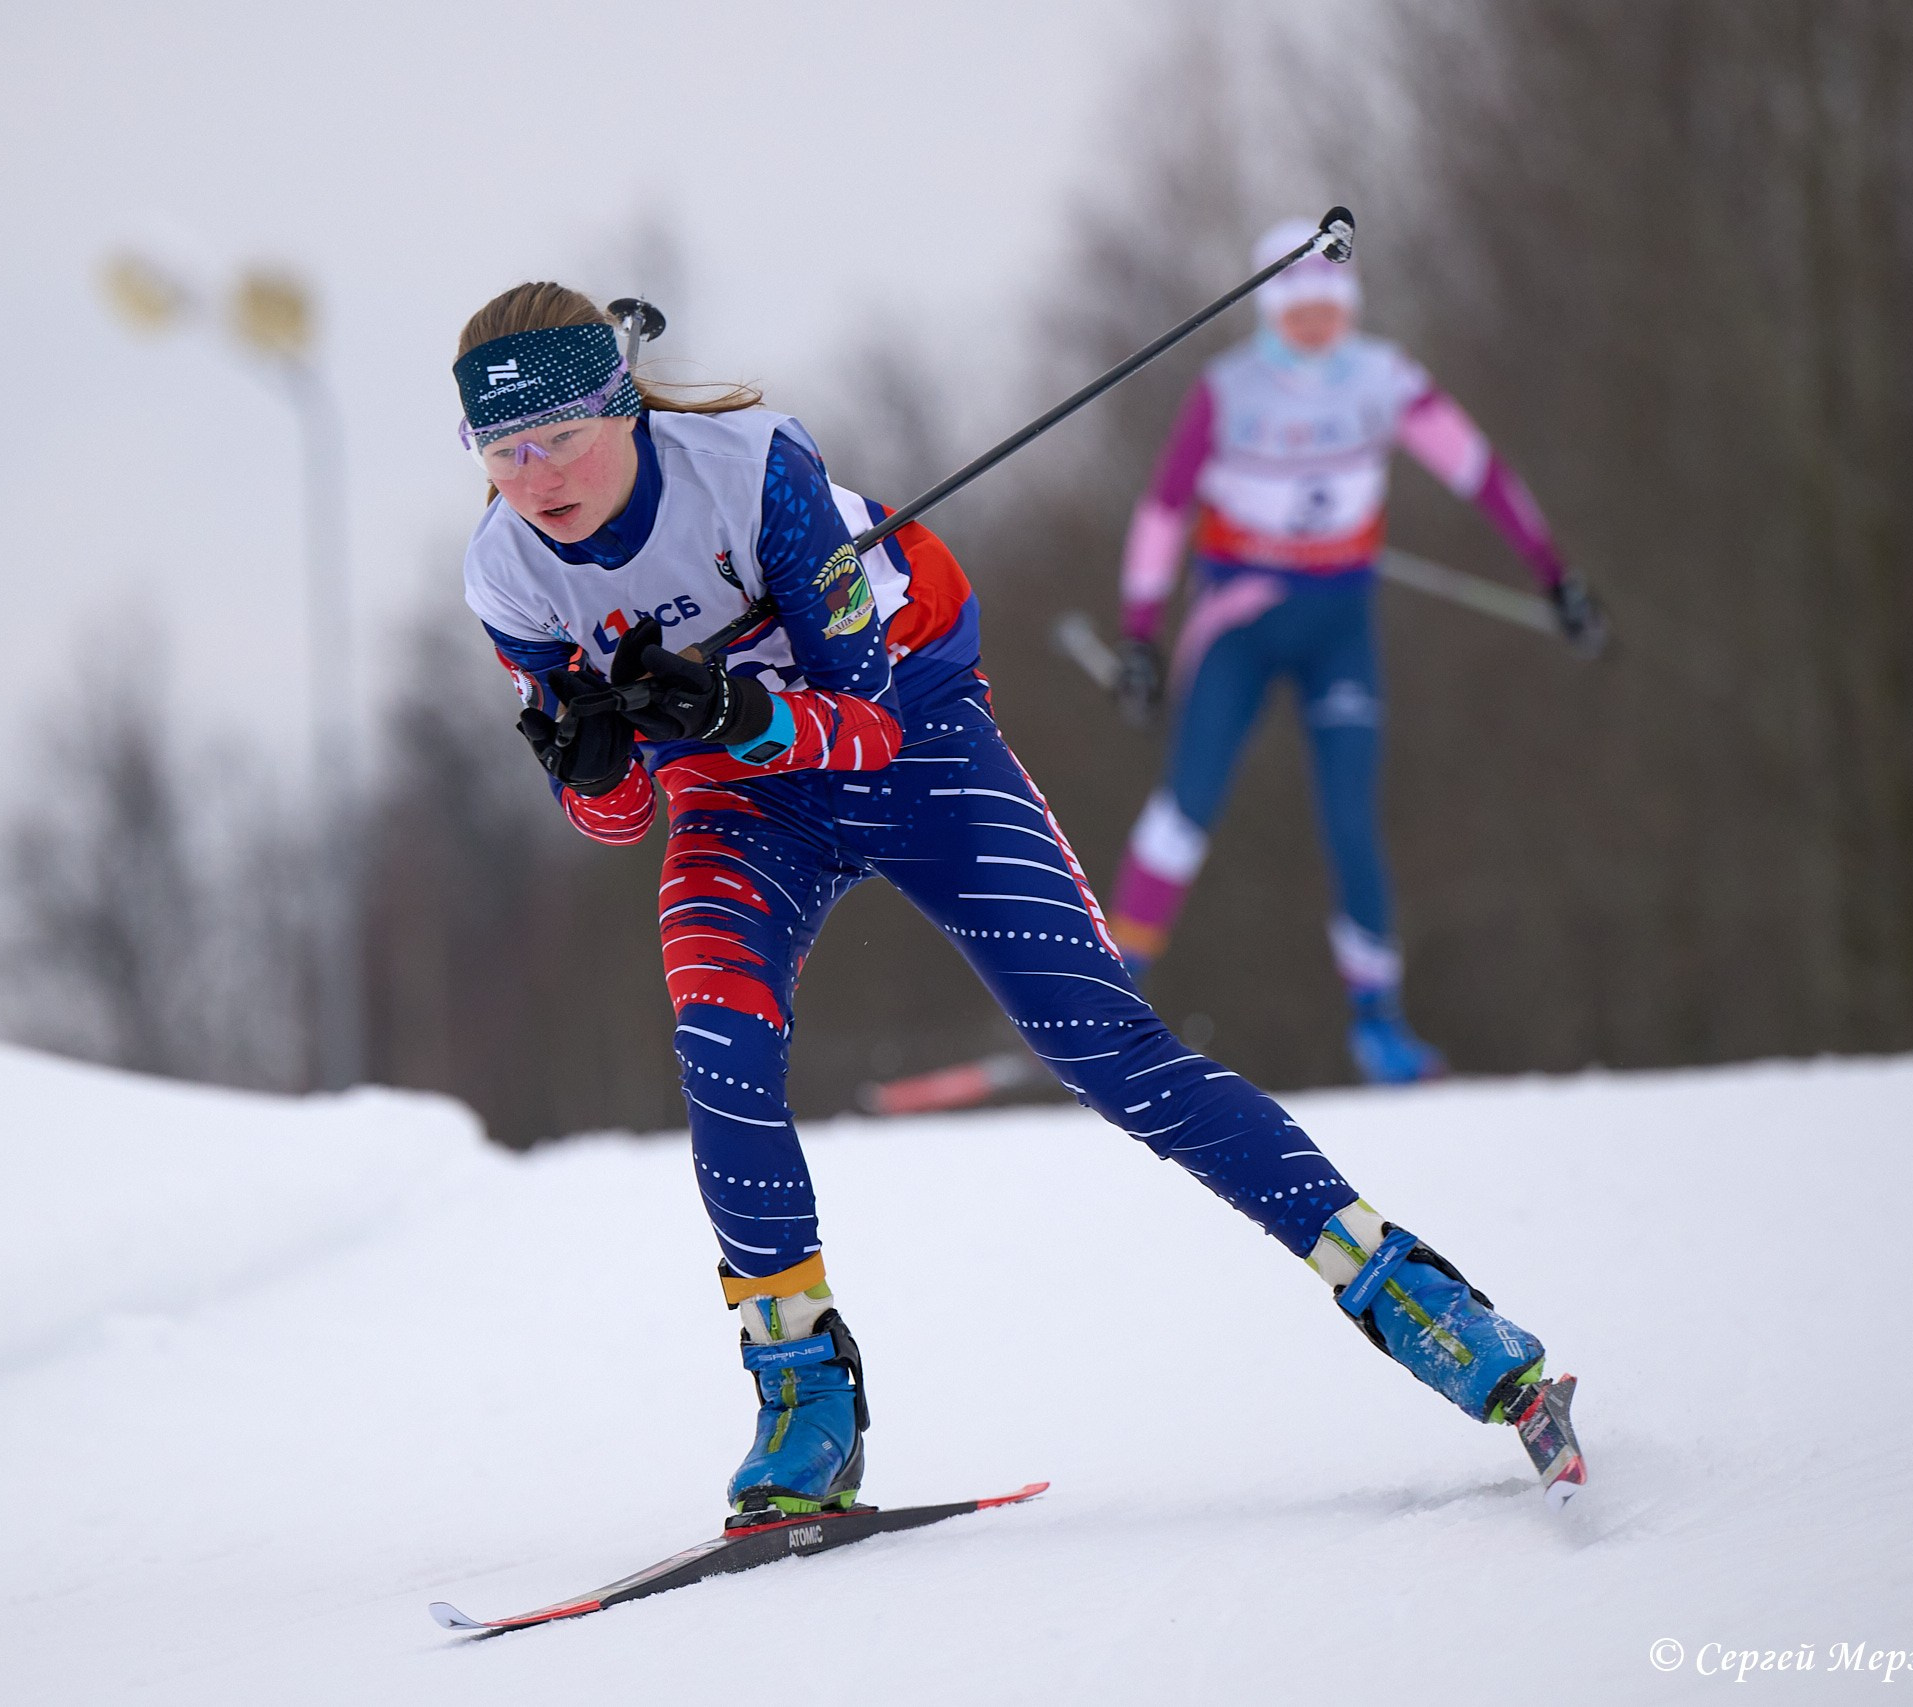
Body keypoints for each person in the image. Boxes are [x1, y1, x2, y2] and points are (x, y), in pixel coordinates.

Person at [452, 282, 1581, 1524]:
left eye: (558, 434)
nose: (535, 473)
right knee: (718, 1048)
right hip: (740, 802)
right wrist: (599, 770)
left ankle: (1420, 1300)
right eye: (501, 450)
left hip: (911, 745)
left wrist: (734, 710)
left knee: (1107, 1052)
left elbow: (868, 720)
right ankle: (802, 1403)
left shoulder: (754, 469)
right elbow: (612, 817)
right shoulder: (508, 575)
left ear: (623, 409)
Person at [1104, 217, 1601, 1085]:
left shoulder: (1385, 378)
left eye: (1329, 306)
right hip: (1240, 622)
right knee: (1187, 807)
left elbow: (1478, 471)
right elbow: (1162, 511)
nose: (1314, 323)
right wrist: (1140, 632)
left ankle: (1379, 1024)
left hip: (1339, 625)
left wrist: (1555, 575)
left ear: (1350, 303)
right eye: (1297, 309)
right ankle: (1108, 997)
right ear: (1267, 307)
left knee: (1350, 819)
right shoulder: (1229, 389)